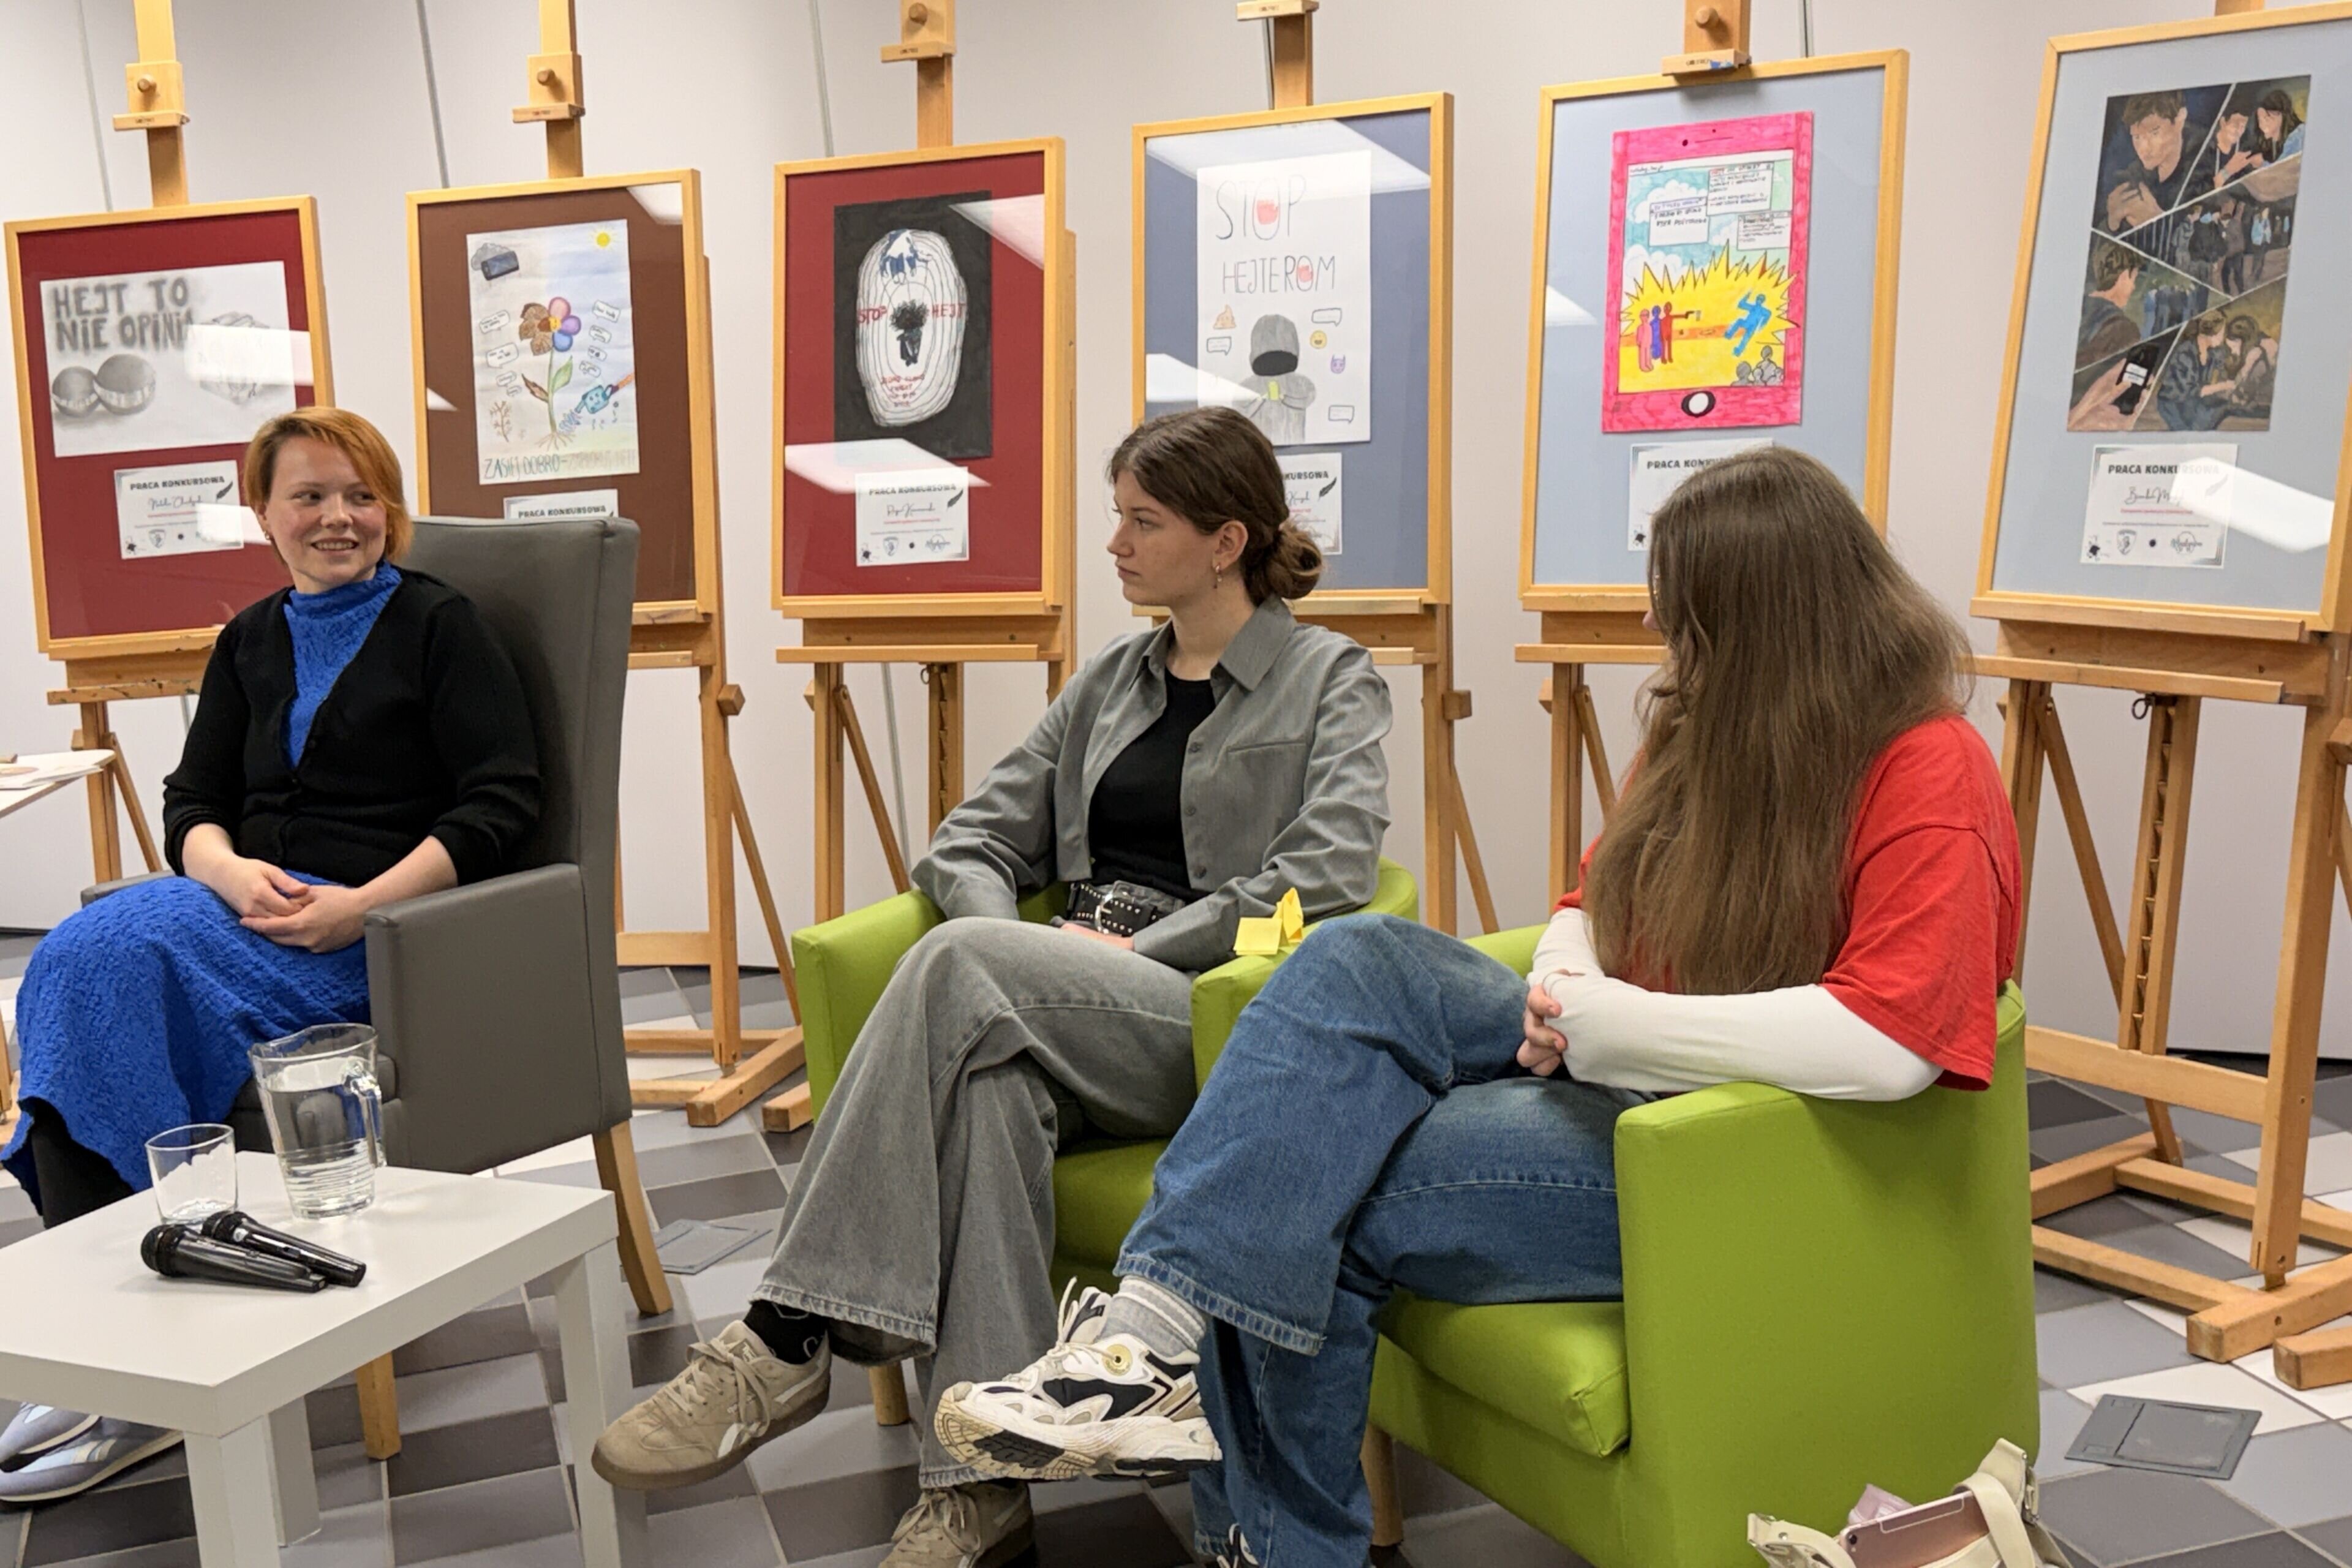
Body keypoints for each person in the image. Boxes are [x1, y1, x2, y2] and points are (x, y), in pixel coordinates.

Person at [938, 447, 2022, 1568]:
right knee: (1356, 958)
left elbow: (1890, 1044)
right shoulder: (1711, 729)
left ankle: (1262, 1530)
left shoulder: (1931, 770)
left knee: (1307, 1175)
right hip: (1620, 1075)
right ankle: (1155, 1339)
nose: (1664, 638)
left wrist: (1611, 1025)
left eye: (1689, 618)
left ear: (1770, 622)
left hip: (1729, 1146)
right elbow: (1590, 902)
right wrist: (1568, 981)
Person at [589, 405, 1392, 1568]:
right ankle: (979, 1489)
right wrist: (1009, 952)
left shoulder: (1331, 678)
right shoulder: (1112, 679)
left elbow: (1332, 867)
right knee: (987, 1090)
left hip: (1204, 1013)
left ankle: (785, 1331)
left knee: (965, 970)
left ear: (1226, 541)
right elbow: (970, 840)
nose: (1114, 543)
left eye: (1143, 521)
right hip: (1054, 993)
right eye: (1116, 516)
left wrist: (1134, 953)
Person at [0, 407, 540, 1501]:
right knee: (78, 962)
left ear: (389, 509)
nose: (339, 517)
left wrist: (361, 910)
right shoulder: (247, 639)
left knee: (112, 968)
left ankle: (145, 1365)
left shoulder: (442, 626)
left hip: (376, 938)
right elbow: (191, 803)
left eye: (361, 495)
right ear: (264, 515)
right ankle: (124, 1339)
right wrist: (228, 871)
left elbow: (503, 804)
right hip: (244, 911)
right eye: (310, 496)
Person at [2079, 243, 2146, 366]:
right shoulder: (2124, 331)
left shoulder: (2075, 307)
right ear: (2124, 276)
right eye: (2133, 279)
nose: (2133, 287)